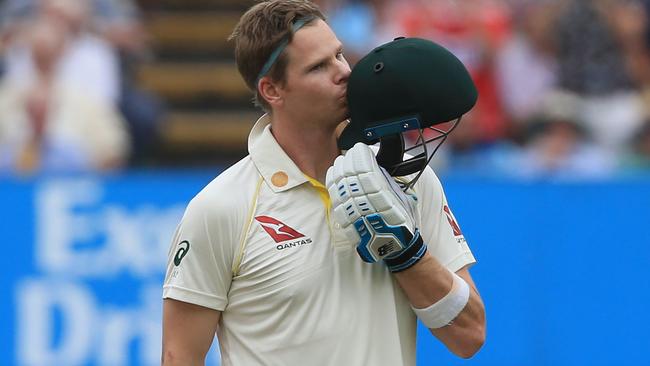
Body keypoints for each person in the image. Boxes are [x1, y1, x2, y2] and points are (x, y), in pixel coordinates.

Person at [161, 1, 486, 365]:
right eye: (319, 66)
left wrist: (406, 253)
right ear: (272, 90)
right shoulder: (221, 207)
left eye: (339, 54)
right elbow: (179, 357)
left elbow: (469, 336)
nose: (344, 73)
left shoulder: (408, 177)